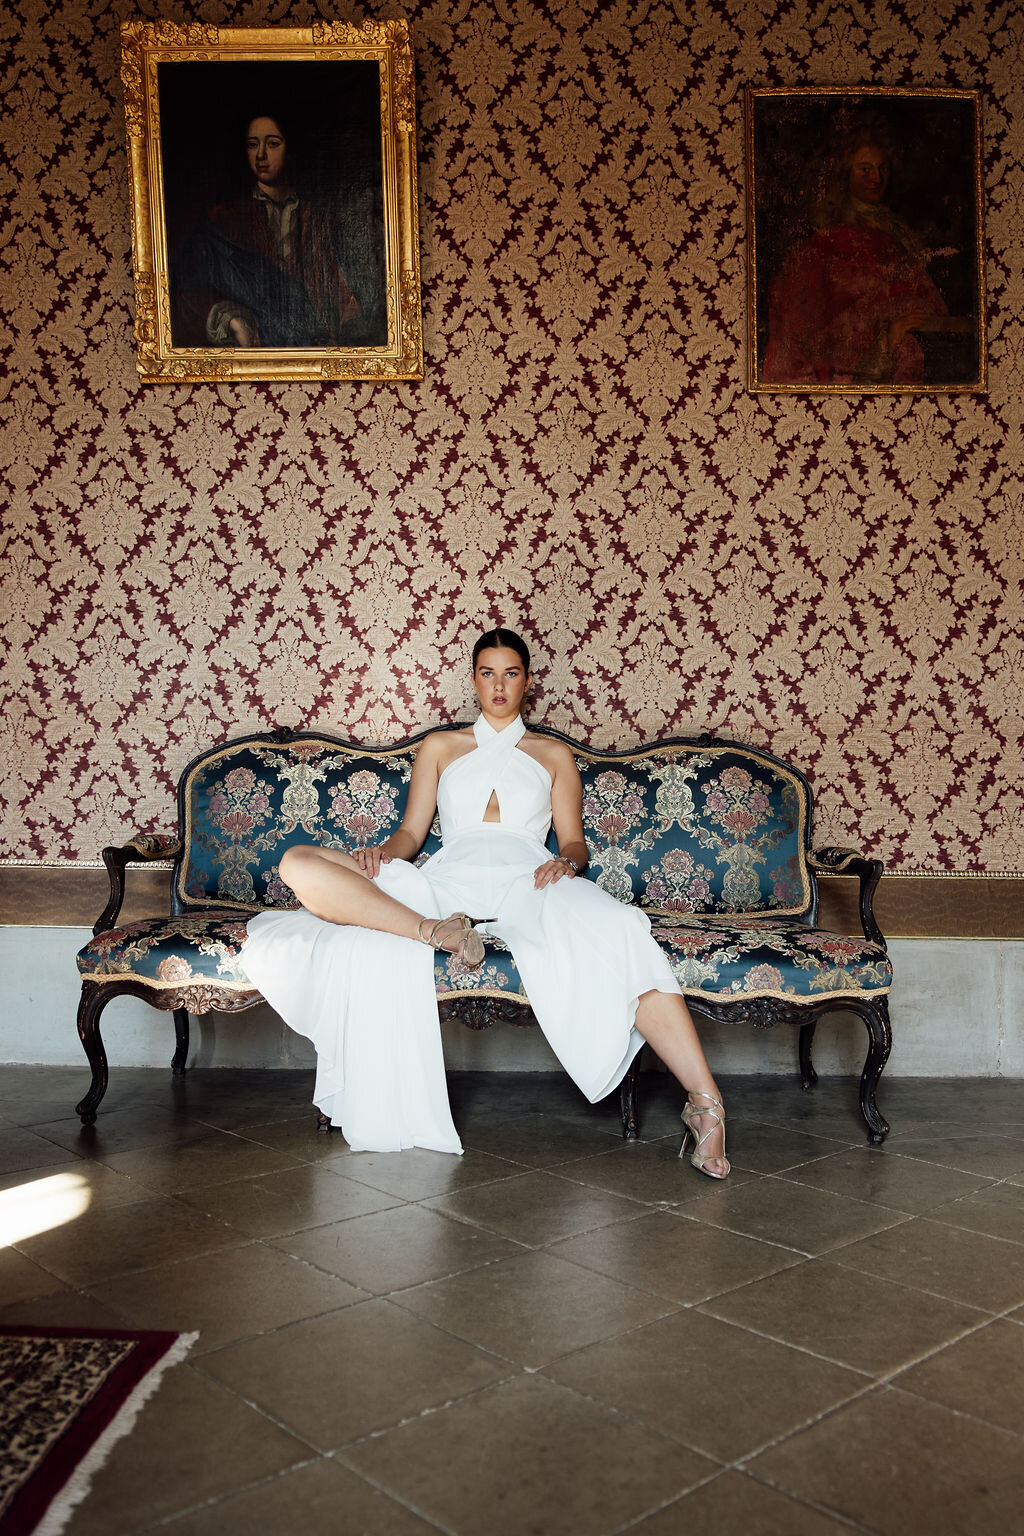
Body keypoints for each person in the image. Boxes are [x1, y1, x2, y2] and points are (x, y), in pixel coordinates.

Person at [241, 629, 729, 1177]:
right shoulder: (441, 748)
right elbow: (411, 833)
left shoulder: (552, 754)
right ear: (473, 679)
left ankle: (706, 1105)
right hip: (447, 882)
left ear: (527, 681)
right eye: (488, 673)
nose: (499, 686)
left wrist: (565, 863)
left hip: (528, 879)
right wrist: (380, 857)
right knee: (298, 862)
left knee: (620, 928)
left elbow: (573, 843)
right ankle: (434, 929)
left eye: (511, 673)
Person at [762, 131, 948, 385]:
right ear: (845, 173)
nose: (876, 178)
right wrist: (885, 337)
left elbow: (919, 294)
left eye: (882, 169)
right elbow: (825, 321)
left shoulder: (898, 230)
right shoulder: (829, 238)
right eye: (865, 169)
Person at [171, 112, 362, 348]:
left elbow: (345, 292)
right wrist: (233, 318)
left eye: (272, 144)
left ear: (291, 148)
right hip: (258, 347)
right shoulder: (226, 218)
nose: (261, 155)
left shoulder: (319, 218)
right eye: (253, 145)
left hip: (319, 347)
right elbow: (190, 288)